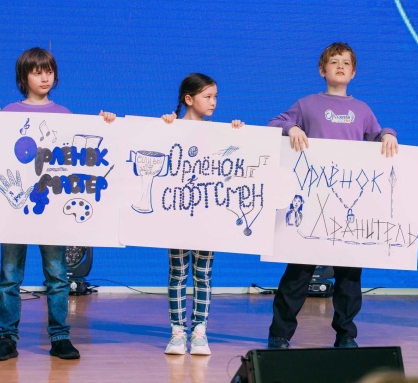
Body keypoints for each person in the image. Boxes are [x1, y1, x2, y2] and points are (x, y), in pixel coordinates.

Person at [0, 47, 116, 361]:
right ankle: (6, 338)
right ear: (23, 76)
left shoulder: (64, 115)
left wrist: (105, 124)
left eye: (49, 71)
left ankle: (59, 337)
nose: (45, 77)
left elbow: (79, 153)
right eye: (37, 72)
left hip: (52, 209)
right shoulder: (8, 113)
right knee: (9, 276)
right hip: (14, 211)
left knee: (57, 276)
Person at [266, 42, 399, 349]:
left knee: (349, 276)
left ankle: (346, 335)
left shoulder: (362, 110)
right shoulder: (307, 104)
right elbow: (274, 124)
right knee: (299, 273)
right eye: (334, 62)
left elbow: (377, 136)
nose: (340, 66)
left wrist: (389, 133)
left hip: (349, 206)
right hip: (312, 204)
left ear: (353, 73)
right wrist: (291, 128)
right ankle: (279, 335)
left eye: (346, 63)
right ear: (322, 70)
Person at [160, 73, 244, 356]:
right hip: (177, 215)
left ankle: (199, 331)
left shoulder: (217, 132)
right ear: (188, 99)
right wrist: (165, 127)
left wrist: (237, 133)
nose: (213, 102)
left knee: (203, 274)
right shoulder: (171, 127)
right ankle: (177, 331)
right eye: (207, 97)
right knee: (177, 273)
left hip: (208, 216)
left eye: (215, 97)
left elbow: (234, 158)